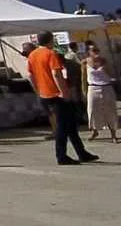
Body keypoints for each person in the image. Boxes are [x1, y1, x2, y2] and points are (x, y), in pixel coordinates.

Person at [27, 32, 98, 165]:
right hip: (56, 94)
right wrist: (64, 92)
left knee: (70, 125)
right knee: (62, 126)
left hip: (45, 94)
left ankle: (82, 153)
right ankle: (61, 156)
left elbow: (30, 75)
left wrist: (38, 90)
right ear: (50, 40)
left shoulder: (32, 55)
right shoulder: (50, 53)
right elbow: (56, 74)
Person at [83, 44, 119, 143]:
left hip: (106, 87)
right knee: (92, 110)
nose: (96, 52)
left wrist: (105, 68)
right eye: (93, 50)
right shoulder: (85, 62)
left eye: (97, 50)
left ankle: (113, 134)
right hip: (93, 87)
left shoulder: (104, 61)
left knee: (110, 111)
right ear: (89, 52)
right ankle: (94, 131)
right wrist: (84, 91)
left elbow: (112, 74)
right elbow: (83, 77)